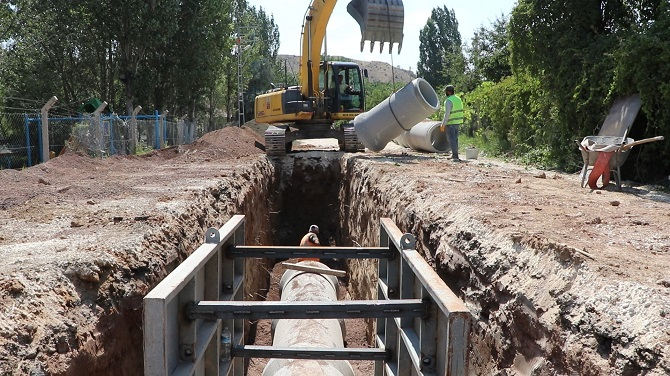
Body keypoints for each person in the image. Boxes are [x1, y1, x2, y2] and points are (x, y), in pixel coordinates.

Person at [440, 85, 464, 161]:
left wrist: (443, 124)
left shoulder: (448, 100)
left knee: (451, 139)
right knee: (455, 139)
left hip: (451, 123)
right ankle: (455, 154)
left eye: (446, 92)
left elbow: (447, 114)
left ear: (448, 92)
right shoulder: (458, 99)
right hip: (458, 122)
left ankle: (455, 156)